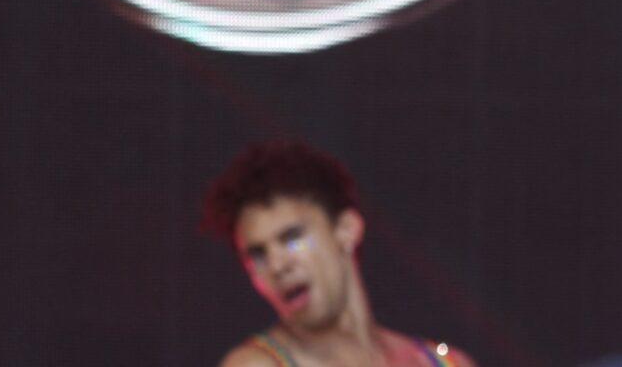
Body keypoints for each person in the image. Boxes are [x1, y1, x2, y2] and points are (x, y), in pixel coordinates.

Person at [204, 140, 476, 367]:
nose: (277, 265)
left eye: (291, 238)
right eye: (259, 255)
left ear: (346, 230)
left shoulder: (443, 361)